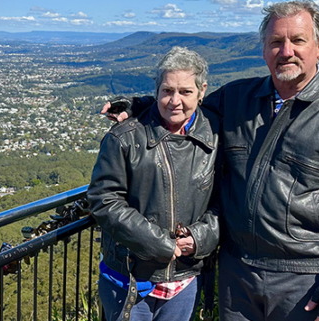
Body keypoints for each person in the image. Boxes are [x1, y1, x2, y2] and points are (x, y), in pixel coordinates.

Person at [101, 1, 319, 320]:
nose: (286, 51)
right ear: (264, 50)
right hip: (235, 276)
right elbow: (184, 107)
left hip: (305, 279)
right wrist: (140, 105)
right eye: (276, 42)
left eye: (298, 40)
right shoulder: (237, 99)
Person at [88, 47, 221, 321]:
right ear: (156, 90)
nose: (175, 101)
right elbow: (104, 201)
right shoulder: (124, 138)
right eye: (167, 91)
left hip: (184, 281)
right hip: (129, 281)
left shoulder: (217, 135)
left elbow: (226, 199)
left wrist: (200, 237)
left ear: (202, 91)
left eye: (185, 91)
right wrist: (159, 243)